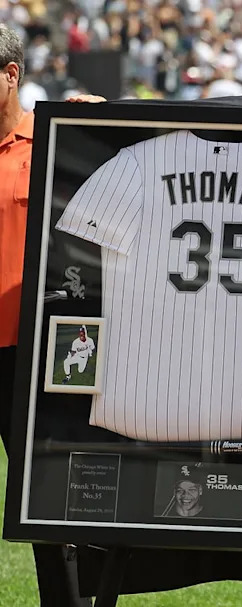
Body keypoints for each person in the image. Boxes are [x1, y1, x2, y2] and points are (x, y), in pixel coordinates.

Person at [1, 22, 105, 607]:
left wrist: (104, 123)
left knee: (51, 507)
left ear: (10, 74)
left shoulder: (58, 139)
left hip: (34, 357)